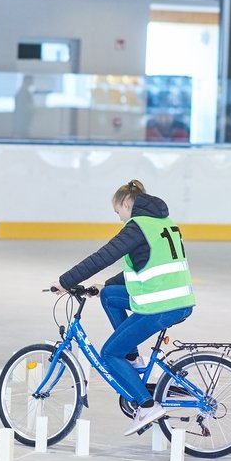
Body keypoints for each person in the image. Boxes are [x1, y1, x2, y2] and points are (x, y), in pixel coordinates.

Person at [52, 179, 195, 436]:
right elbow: (144, 266)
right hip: (177, 299)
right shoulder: (163, 223)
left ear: (127, 203)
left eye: (118, 210)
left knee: (108, 354)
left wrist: (65, 281)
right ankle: (133, 358)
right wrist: (103, 285)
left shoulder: (137, 226)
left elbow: (103, 255)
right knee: (109, 295)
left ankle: (147, 405)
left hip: (160, 305)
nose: (118, 217)